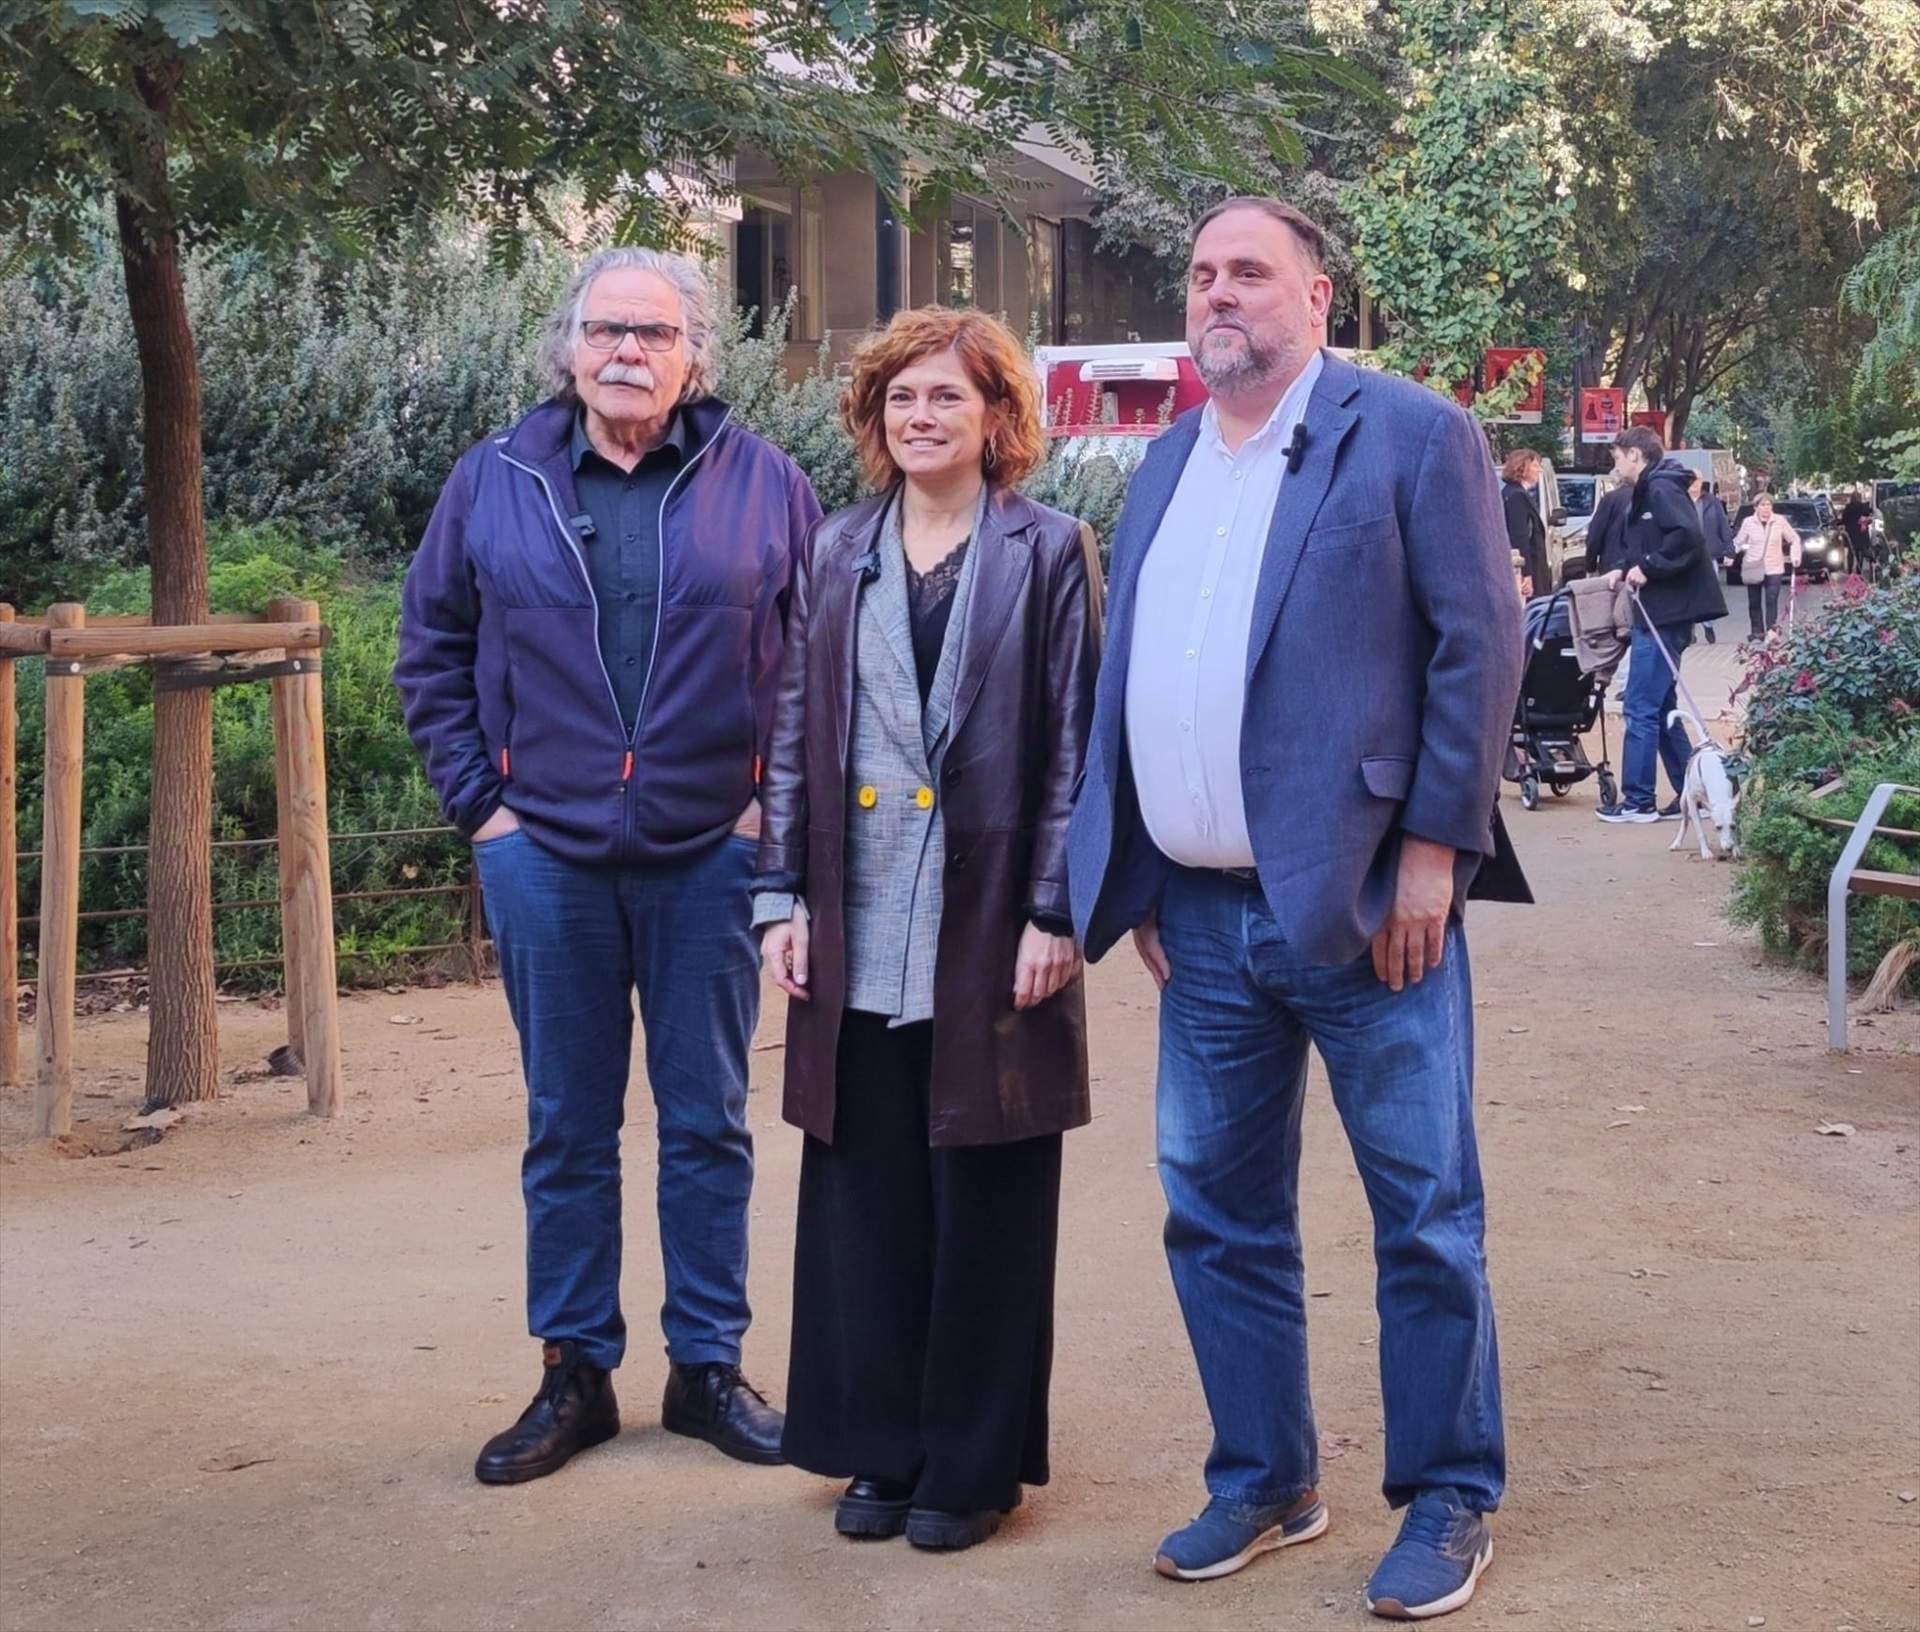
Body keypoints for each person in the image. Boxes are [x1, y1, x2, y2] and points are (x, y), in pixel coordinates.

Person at [1065, 197, 1523, 1621]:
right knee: (1215, 1214)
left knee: (1425, 1216)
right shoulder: (1164, 463)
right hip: (1200, 925)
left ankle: (1448, 1494)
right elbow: (1134, 672)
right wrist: (1138, 864)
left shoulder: (1410, 435)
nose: (1220, 294)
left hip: (1372, 906)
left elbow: (1480, 641)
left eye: (1250, 273)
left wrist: (1436, 852)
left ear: (1317, 298)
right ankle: (1268, 1478)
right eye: (1203, 274)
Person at [395, 247, 822, 1484]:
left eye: (653, 332)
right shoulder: (495, 479)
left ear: (697, 355)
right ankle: (573, 1372)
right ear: (570, 347)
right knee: (566, 1127)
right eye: (605, 330)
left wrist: (767, 815)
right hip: (543, 854)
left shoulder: (765, 481)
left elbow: (816, 659)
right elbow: (431, 648)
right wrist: (485, 811)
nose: (627, 351)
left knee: (708, 1122)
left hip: (712, 854)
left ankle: (707, 1369)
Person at [752, 307, 1100, 1552]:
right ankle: (882, 1449)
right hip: (855, 905)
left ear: (998, 415)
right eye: (901, 397)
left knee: (987, 1189)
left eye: (947, 395)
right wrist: (779, 898)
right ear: (873, 415)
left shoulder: (1049, 550)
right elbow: (794, 730)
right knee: (869, 1191)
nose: (921, 416)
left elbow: (1076, 739)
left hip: (992, 909)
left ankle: (970, 1466)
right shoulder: (836, 546)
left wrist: (1056, 908)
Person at [1595, 425, 1728, 823]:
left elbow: (1688, 538)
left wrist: (1649, 568)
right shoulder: (1651, 488)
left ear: (1635, 455)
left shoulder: (1660, 488)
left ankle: (1639, 801)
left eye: (1618, 456)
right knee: (1662, 705)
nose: (1616, 464)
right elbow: (1648, 543)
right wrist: (1623, 567)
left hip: (1664, 613)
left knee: (1639, 706)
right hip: (1662, 610)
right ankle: (1694, 794)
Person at [1730, 492, 1802, 637]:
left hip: (1774, 566)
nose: (1766, 508)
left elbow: (1794, 539)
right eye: (1762, 505)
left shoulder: (1779, 521)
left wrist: (1795, 555)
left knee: (1771, 598)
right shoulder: (1748, 522)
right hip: (1753, 565)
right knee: (1754, 601)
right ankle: (1757, 631)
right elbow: (1738, 541)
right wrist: (1730, 555)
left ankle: (1771, 630)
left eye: (1768, 504)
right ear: (1755, 507)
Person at [1500, 448, 1551, 600]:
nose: (1539, 470)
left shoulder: (1510, 492)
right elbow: (1519, 536)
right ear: (1522, 467)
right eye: (1535, 465)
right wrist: (1526, 574)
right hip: (1529, 568)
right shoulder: (1517, 496)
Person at [1691, 473, 1731, 643]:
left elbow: (1723, 525)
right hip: (1686, 555)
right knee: (1688, 593)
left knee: (1708, 593)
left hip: (1709, 554)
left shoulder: (1712, 501)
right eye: (1691, 479)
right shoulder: (1678, 500)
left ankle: (1708, 625)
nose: (1694, 483)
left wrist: (1729, 550)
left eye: (1697, 480)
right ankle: (1689, 629)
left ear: (1702, 482)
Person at [1841, 488, 1876, 580]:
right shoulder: (1863, 506)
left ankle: (1849, 571)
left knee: (1851, 552)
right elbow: (1869, 515)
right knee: (1861, 551)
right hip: (1861, 532)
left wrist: (1840, 523)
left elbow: (1844, 519)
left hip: (1851, 532)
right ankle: (1859, 570)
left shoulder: (1848, 507)